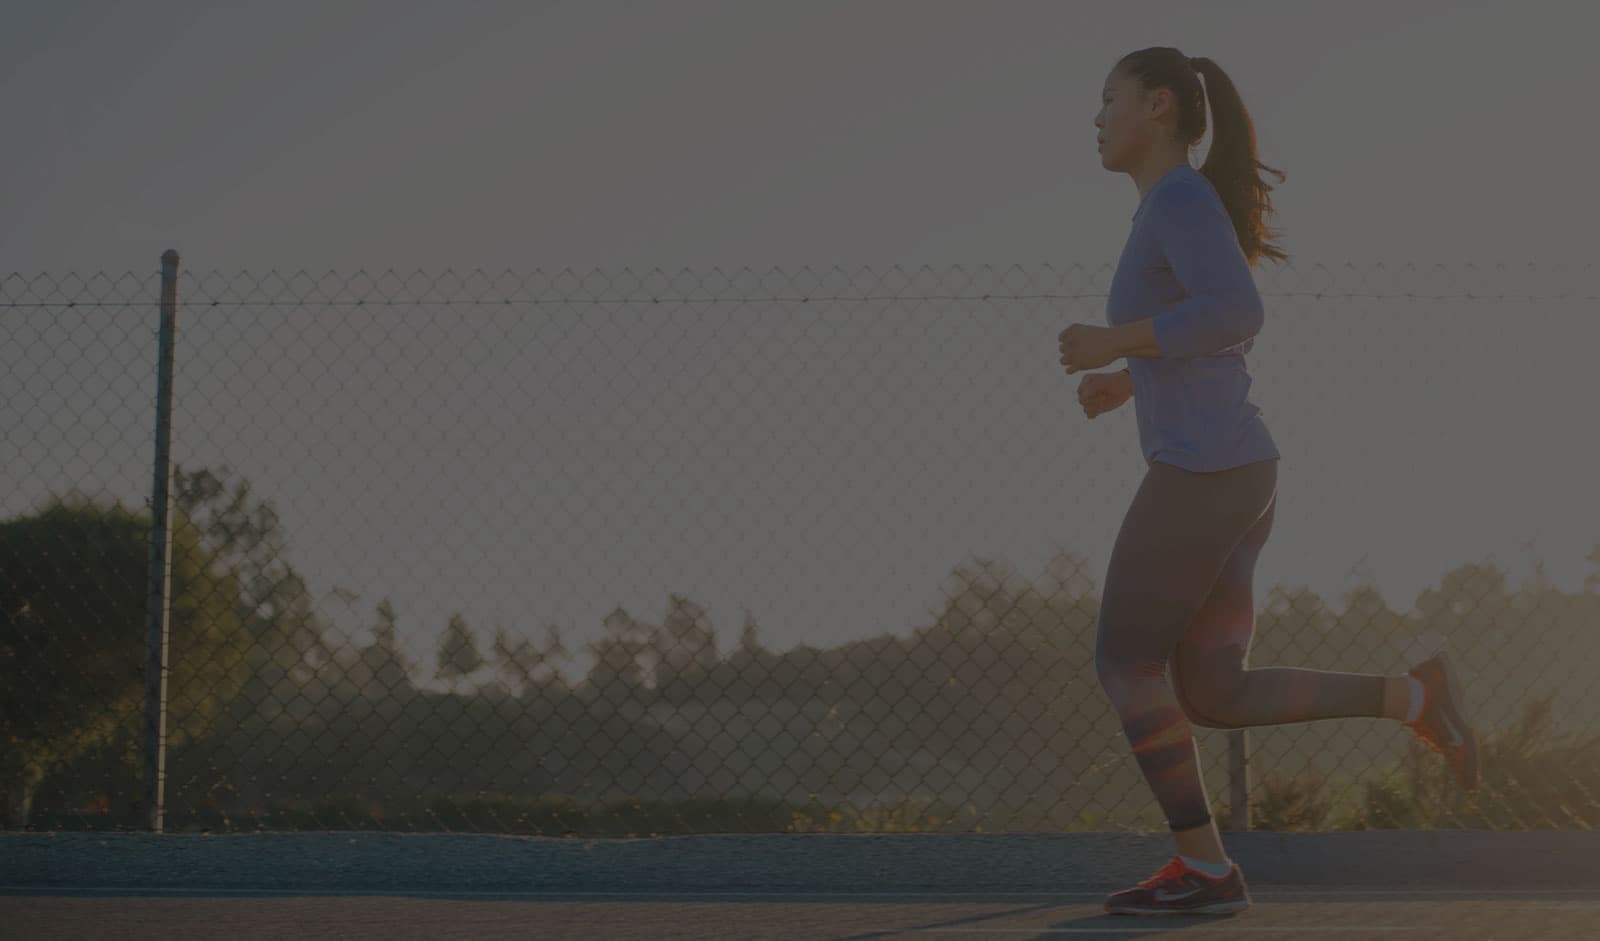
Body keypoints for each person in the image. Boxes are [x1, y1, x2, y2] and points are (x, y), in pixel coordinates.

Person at [1056, 46, 1479, 917]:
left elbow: (1239, 311)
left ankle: (1207, 870)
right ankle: (1417, 695)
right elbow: (1213, 329)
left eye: (1110, 100)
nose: (1096, 118)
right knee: (1213, 689)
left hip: (1207, 471)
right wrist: (1129, 378)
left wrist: (1117, 340)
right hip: (1237, 468)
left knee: (1126, 660)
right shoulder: (1169, 207)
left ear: (1160, 107)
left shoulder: (1176, 197)